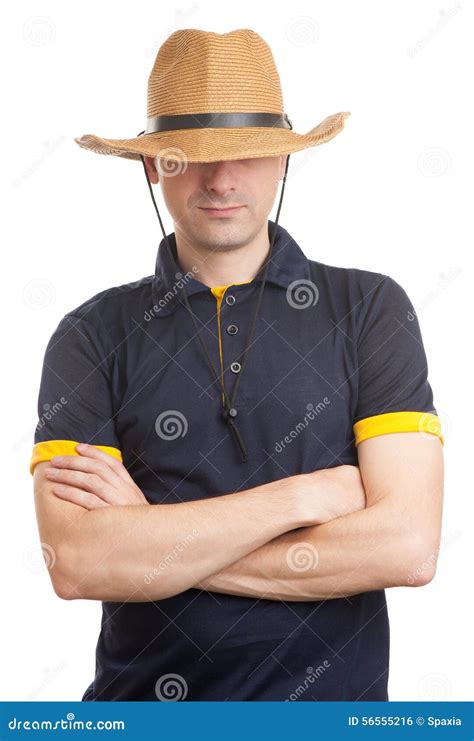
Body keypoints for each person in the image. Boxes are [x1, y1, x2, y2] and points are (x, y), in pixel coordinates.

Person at [30, 28, 444, 701]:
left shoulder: (369, 308)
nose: (220, 179)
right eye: (185, 156)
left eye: (246, 153)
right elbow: (78, 561)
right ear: (151, 168)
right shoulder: (89, 334)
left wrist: (153, 546)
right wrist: (299, 499)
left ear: (284, 160)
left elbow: (406, 546)